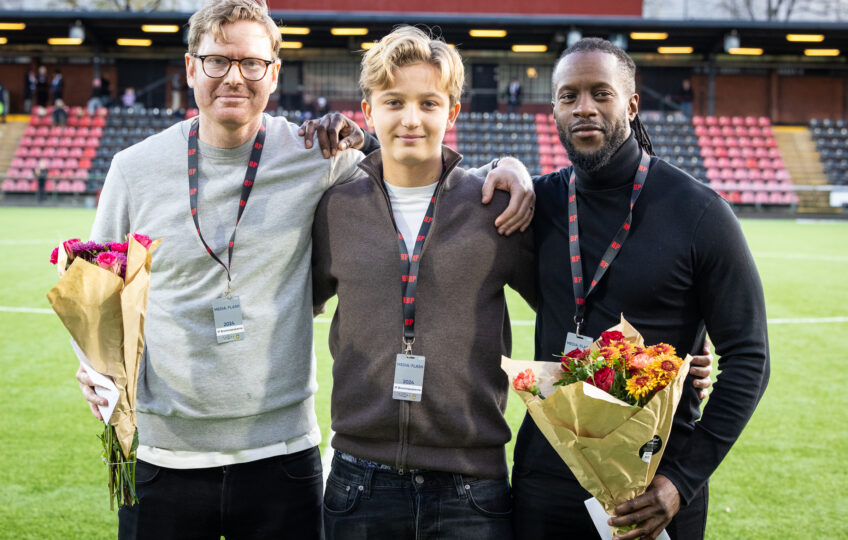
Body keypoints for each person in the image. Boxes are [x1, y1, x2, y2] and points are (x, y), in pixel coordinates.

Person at [74, 2, 533, 538]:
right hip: (162, 453)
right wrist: (94, 368)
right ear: (190, 68)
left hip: (283, 456)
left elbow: (417, 162)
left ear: (273, 73)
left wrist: (507, 164)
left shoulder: (315, 156)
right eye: (218, 61)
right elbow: (98, 293)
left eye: (251, 63)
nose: (234, 77)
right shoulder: (133, 169)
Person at [510, 37, 769, 540]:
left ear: (631, 103)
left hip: (652, 489)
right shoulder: (536, 204)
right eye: (569, 96)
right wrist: (505, 165)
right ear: (555, 109)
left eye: (600, 93)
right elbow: (437, 189)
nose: (584, 108)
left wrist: (682, 482)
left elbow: (750, 357)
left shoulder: (698, 212)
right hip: (546, 479)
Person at [312, 26, 535, 540]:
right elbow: (287, 303)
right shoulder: (336, 208)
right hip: (358, 480)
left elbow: (573, 302)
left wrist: (686, 352)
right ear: (368, 112)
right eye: (394, 102)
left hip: (471, 485)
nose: (411, 119)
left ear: (451, 112)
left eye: (428, 103)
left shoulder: (495, 209)